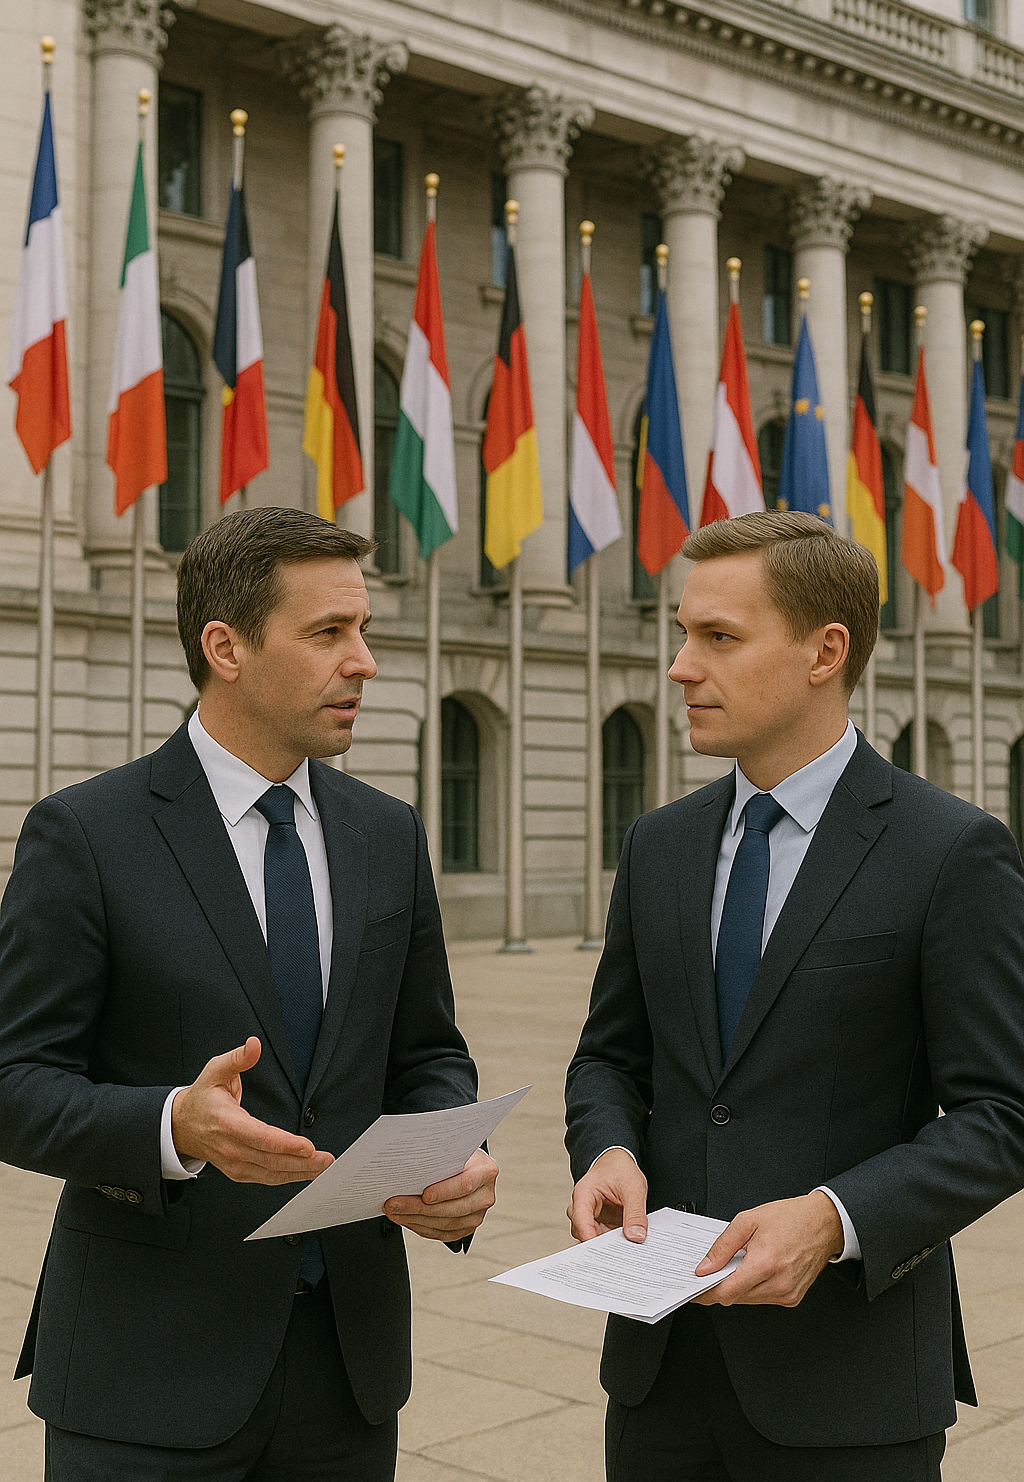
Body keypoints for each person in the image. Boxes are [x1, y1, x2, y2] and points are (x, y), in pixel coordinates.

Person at [0, 507, 498, 1480]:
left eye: (364, 631)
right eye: (328, 634)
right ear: (224, 647)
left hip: (346, 1375)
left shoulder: (386, 834)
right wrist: (174, 1126)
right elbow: (12, 1081)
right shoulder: (85, 836)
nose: (364, 662)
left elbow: (427, 1051)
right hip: (146, 1375)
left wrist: (454, 1150)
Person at [565, 510, 1024, 1481]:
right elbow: (612, 1056)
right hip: (657, 1379)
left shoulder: (949, 850)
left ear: (825, 651)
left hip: (848, 1391)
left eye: (718, 638)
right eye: (682, 633)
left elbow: (1001, 1114)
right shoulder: (659, 844)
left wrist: (833, 1217)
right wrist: (606, 1147)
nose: (681, 666)